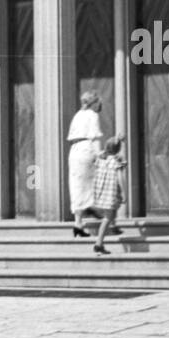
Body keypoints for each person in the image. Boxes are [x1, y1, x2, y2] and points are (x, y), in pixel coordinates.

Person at [66, 91, 103, 236]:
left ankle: (78, 223)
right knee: (92, 183)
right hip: (87, 149)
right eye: (98, 102)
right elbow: (95, 136)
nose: (100, 105)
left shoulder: (78, 115)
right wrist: (99, 155)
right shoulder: (93, 115)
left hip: (74, 150)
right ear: (94, 103)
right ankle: (93, 208)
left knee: (77, 186)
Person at [92, 137, 126, 255]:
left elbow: (102, 152)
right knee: (107, 217)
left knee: (112, 211)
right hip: (111, 192)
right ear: (118, 150)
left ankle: (114, 227)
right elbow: (121, 178)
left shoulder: (101, 160)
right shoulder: (116, 162)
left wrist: (117, 140)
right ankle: (99, 244)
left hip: (102, 192)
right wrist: (124, 192)